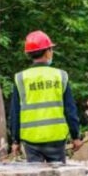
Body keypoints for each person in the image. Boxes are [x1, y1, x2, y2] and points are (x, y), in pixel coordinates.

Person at [9, 30, 82, 163]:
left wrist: (15, 141)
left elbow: (15, 113)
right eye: (51, 50)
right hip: (56, 139)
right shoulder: (60, 76)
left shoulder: (21, 78)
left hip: (31, 141)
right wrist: (75, 136)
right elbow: (70, 110)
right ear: (47, 52)